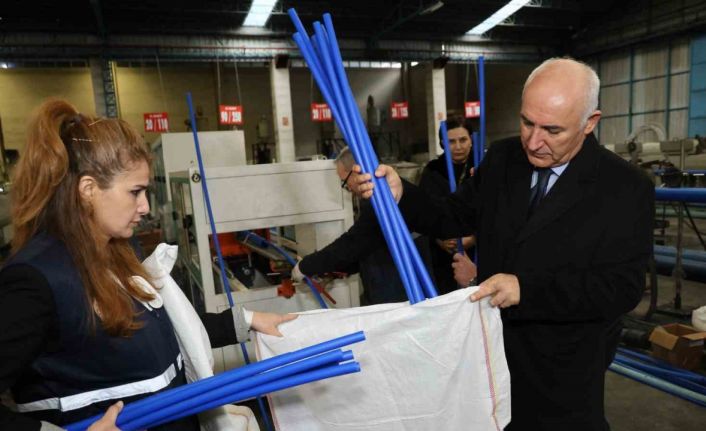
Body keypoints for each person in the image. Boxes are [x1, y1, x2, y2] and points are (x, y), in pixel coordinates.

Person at [354, 58, 654, 430]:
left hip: (563, 374)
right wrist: (402, 194)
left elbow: (621, 288)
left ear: (590, 122)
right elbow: (451, 215)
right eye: (527, 122)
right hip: (489, 353)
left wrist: (526, 289)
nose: (533, 141)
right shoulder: (503, 158)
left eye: (552, 130)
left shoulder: (625, 187)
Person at [0, 99, 296, 431]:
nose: (144, 207)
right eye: (135, 192)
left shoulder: (115, 252)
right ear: (88, 190)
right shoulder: (33, 279)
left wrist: (246, 321)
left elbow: (159, 331)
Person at [292, 147, 433, 304]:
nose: (348, 189)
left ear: (356, 171)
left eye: (345, 182)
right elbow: (366, 246)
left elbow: (352, 244)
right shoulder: (378, 196)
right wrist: (332, 271)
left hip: (398, 292)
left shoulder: (385, 198)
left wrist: (306, 266)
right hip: (389, 286)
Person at [418, 114, 477, 294]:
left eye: (463, 140)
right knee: (449, 299)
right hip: (443, 254)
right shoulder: (433, 170)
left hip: (480, 248)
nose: (458, 147)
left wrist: (474, 238)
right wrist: (439, 239)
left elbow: (496, 208)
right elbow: (424, 212)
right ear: (443, 143)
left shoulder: (483, 165)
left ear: (471, 140)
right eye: (451, 141)